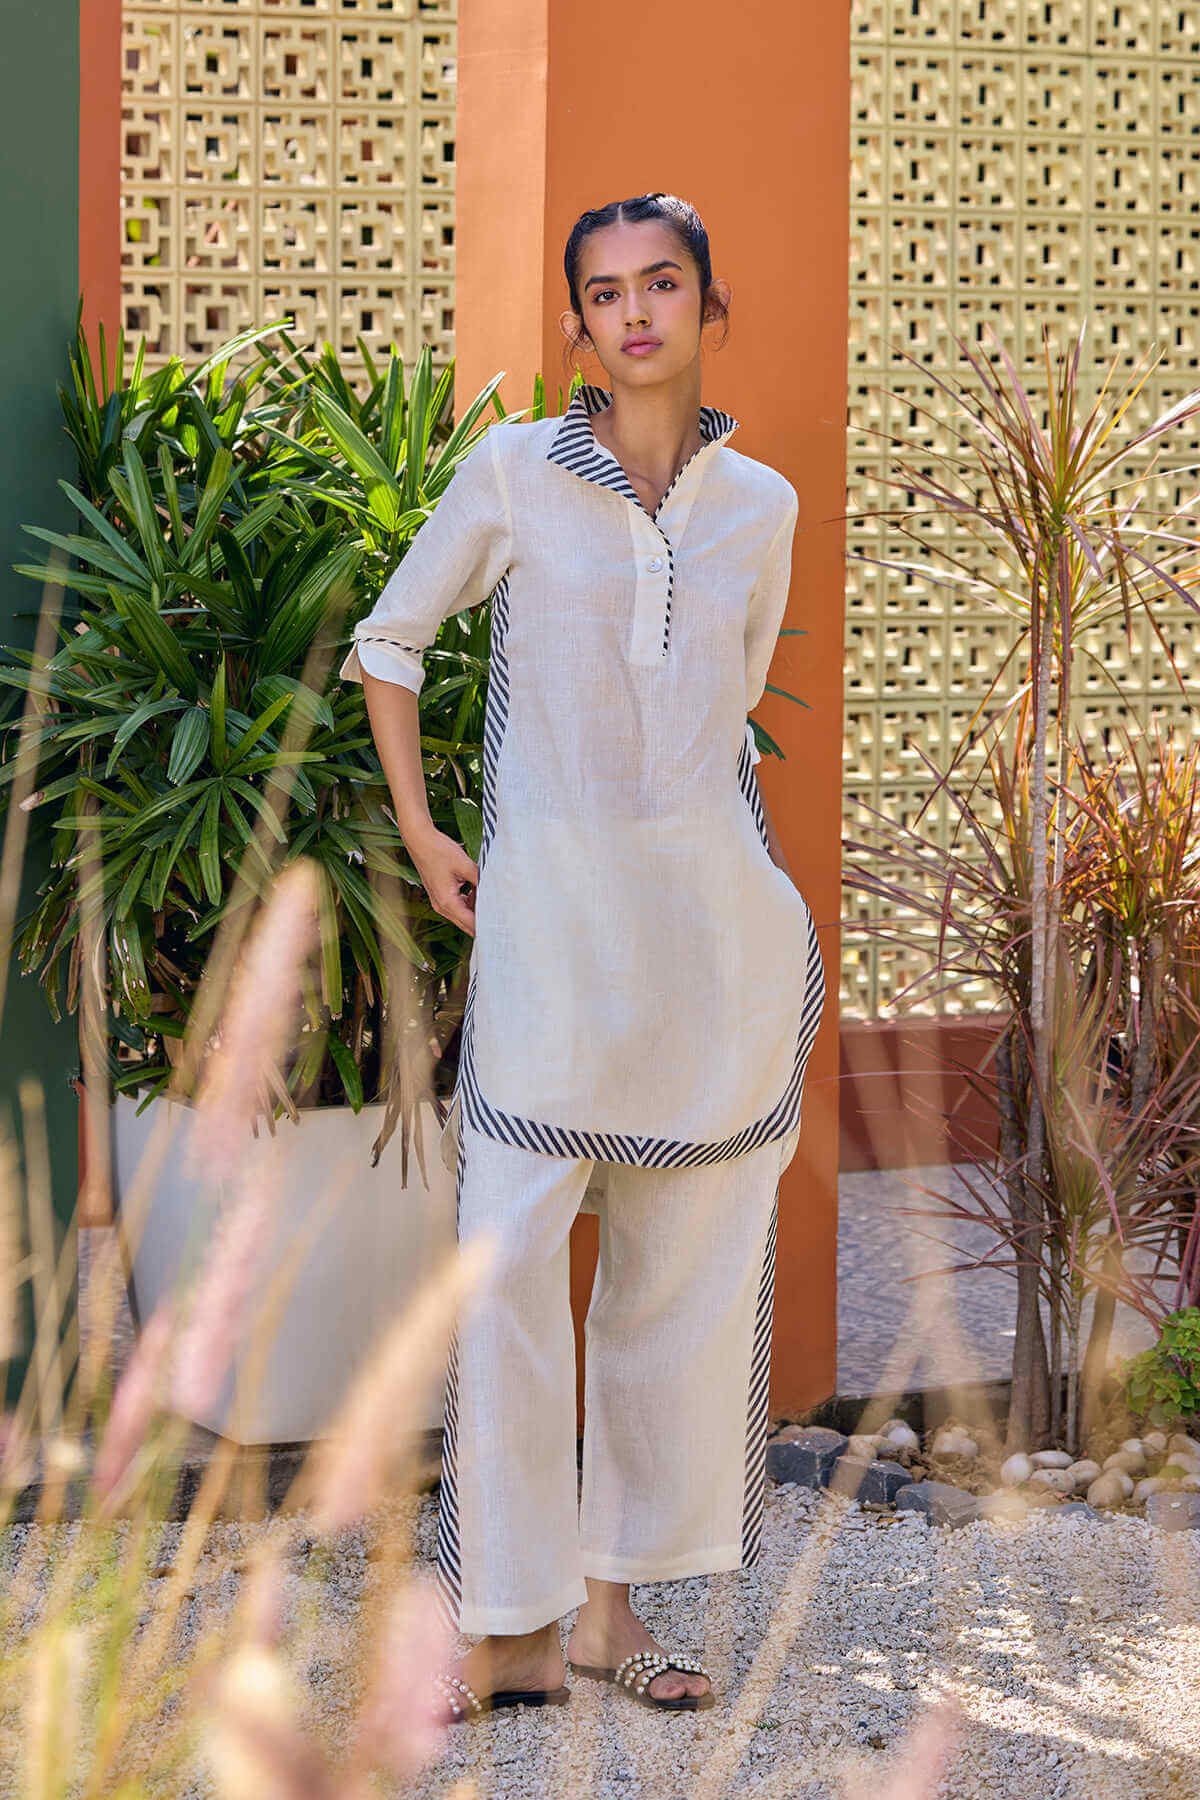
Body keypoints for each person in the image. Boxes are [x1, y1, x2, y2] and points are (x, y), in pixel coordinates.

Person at [340, 192, 826, 1718]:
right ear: (579, 326)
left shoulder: (764, 507)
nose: (634, 312)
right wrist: (424, 833)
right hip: (550, 941)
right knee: (504, 1281)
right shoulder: (512, 475)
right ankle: (507, 1629)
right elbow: (389, 641)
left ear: (707, 305)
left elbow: (728, 714)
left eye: (662, 283)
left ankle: (616, 1615)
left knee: (675, 1289)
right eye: (605, 291)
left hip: (707, 952)